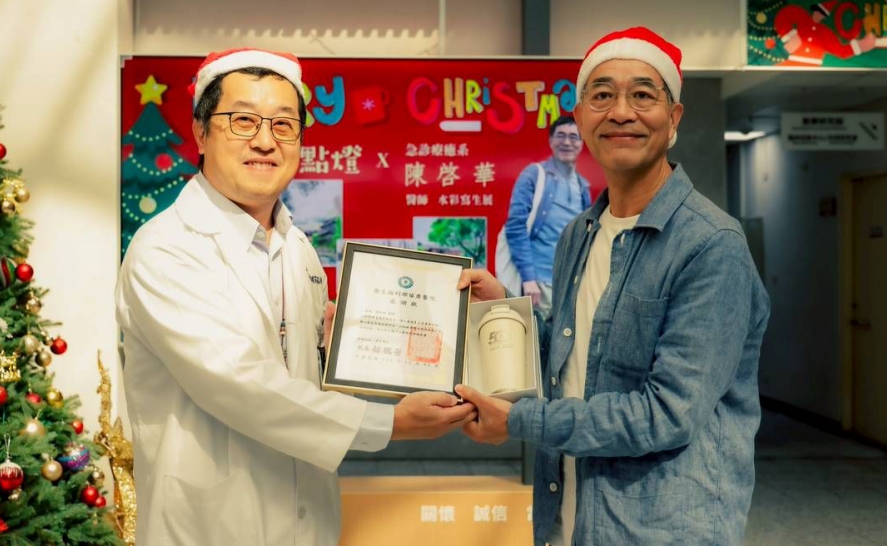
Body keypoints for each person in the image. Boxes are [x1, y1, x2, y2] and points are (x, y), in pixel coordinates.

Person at [115, 48, 475, 546]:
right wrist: (390, 422)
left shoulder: (298, 246)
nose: (265, 141)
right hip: (208, 527)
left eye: (284, 125)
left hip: (309, 520)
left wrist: (355, 342)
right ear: (200, 132)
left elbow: (304, 373)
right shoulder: (167, 247)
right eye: (243, 121)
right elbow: (239, 384)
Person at [456, 27, 771, 545]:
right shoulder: (579, 234)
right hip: (569, 516)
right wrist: (503, 311)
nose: (621, 112)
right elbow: (569, 355)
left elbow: (668, 413)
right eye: (601, 95)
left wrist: (519, 421)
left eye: (643, 95)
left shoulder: (711, 245)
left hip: (663, 530)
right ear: (580, 118)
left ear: (673, 119)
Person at [502, 116, 592, 315]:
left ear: (582, 143)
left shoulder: (583, 186)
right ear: (551, 141)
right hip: (538, 285)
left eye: (573, 137)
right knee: (536, 334)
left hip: (570, 285)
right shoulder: (533, 175)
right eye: (560, 135)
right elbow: (515, 227)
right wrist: (528, 278)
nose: (566, 142)